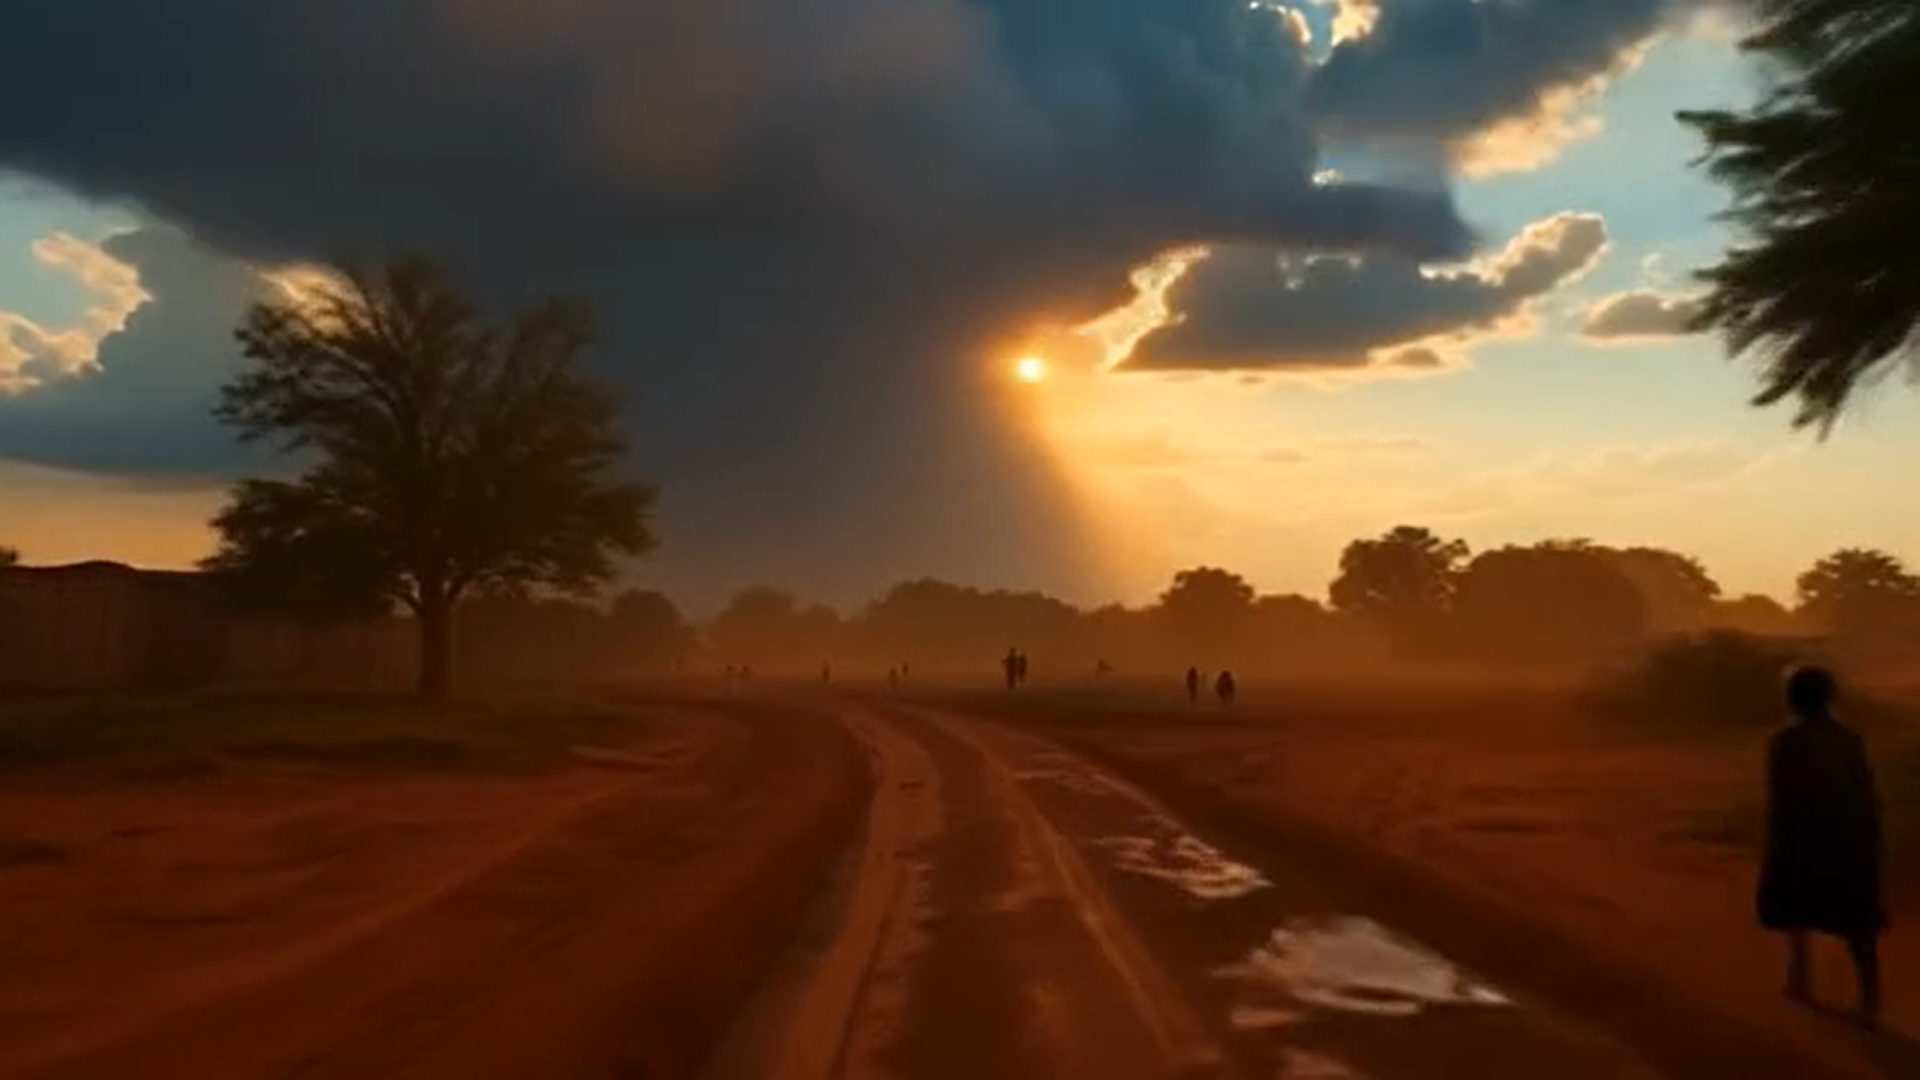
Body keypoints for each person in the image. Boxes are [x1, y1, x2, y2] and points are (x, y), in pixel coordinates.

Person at [1758, 665, 1885, 1028]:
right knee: (1857, 924)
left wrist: (1778, 846)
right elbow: (1867, 795)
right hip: (1847, 838)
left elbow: (1780, 800)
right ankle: (1868, 1000)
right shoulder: (1848, 740)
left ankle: (1800, 979)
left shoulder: (1784, 743)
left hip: (1803, 837)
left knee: (1796, 909)